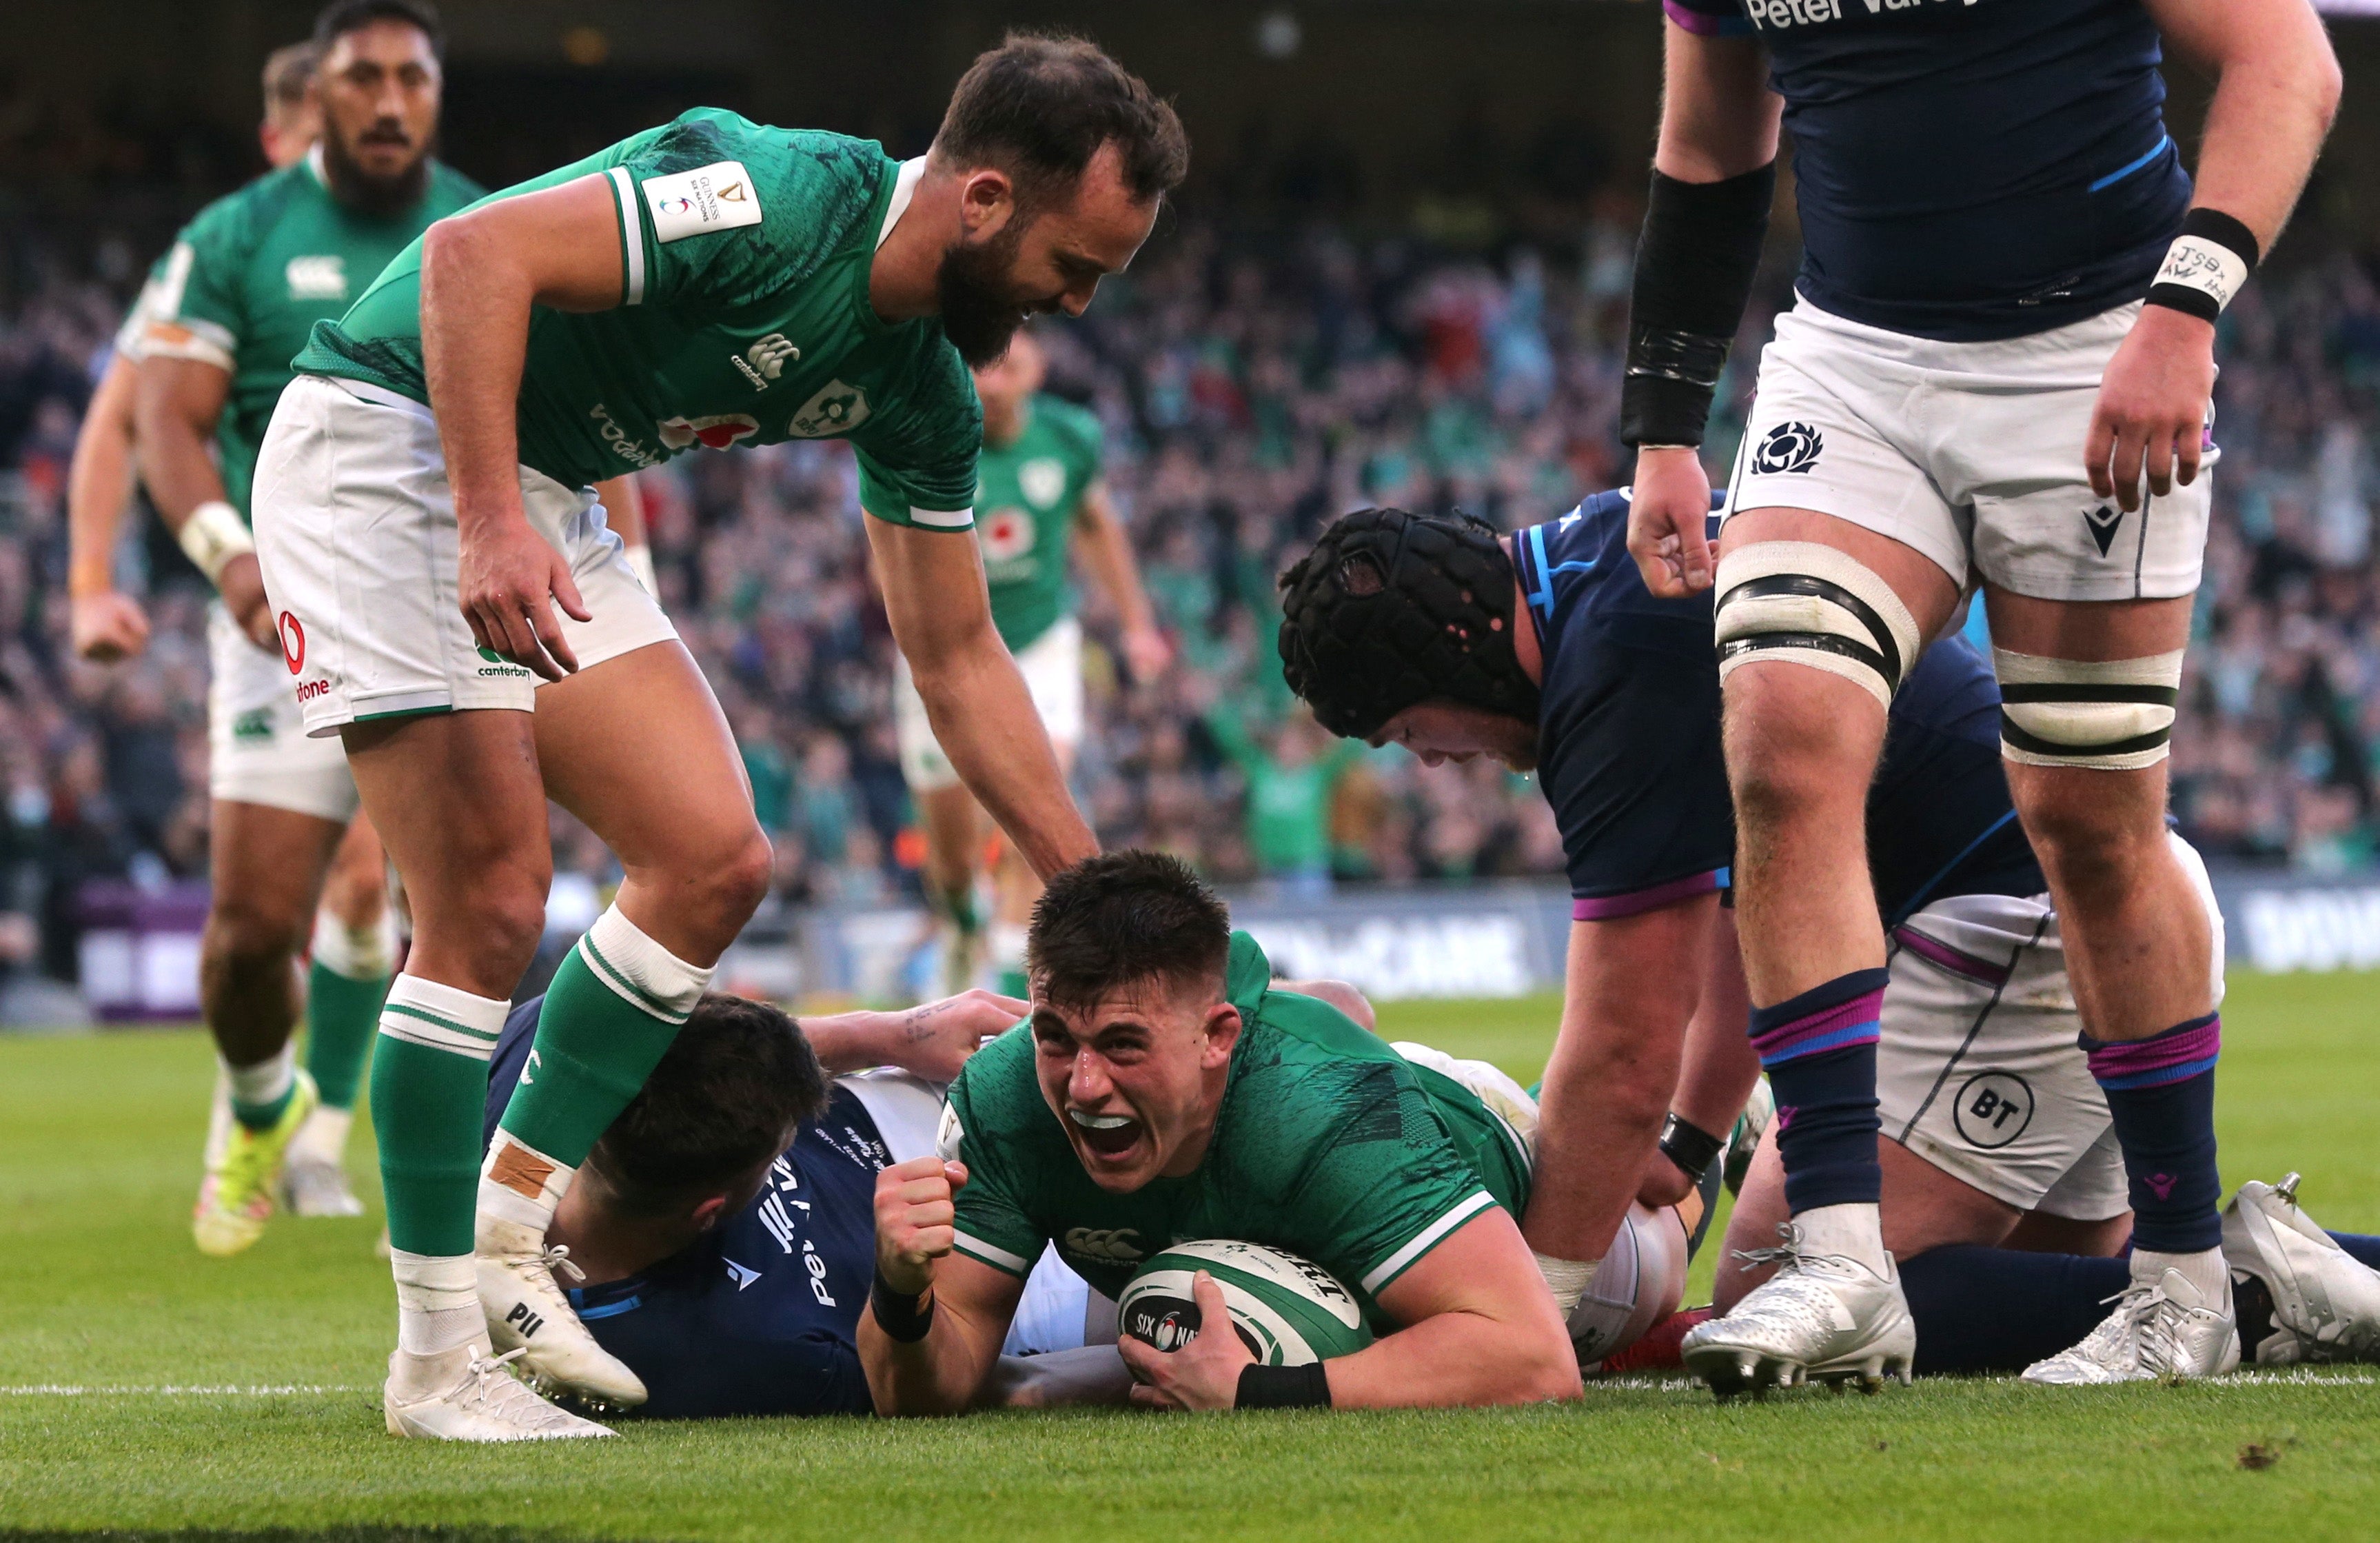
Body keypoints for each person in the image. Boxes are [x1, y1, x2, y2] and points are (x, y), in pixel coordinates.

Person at [249, 34, 1188, 1440]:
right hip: (387, 444)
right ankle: (438, 1355)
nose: (1078, 302)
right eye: (1079, 263)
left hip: (542, 486)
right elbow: (470, 257)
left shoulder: (925, 386)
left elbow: (953, 652)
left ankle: (512, 1230)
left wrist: (1092, 899)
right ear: (984, 201)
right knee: (490, 904)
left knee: (712, 860)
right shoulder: (765, 194)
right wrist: (492, 517)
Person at [1616, 0, 2339, 1386]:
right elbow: (1709, 148)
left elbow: (2284, 61)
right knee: (1779, 737)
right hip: (1853, 357)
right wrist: (1661, 426)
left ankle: (2184, 1283)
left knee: (2086, 824)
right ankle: (1844, 1264)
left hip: (2095, 350)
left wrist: (2182, 313)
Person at [74, 4, 485, 1253]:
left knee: (443, 902)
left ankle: (402, 1178)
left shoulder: (485, 220)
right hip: (275, 613)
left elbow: (576, 400)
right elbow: (139, 420)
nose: (387, 101)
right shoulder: (233, 238)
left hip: (440, 609)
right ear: (317, 98)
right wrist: (187, 562)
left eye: (410, 77)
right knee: (254, 935)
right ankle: (265, 1102)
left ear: (434, 91)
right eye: (361, 77)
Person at [863, 850, 1583, 1414]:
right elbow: (924, 1391)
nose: (1083, 1085)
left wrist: (1259, 1393)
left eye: (1123, 1045)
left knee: (1641, 1242)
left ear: (1216, 1038)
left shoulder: (1329, 1109)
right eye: (1055, 1038)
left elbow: (1533, 1358)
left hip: (1480, 1143)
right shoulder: (1005, 1098)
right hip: (1283, 1222)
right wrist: (900, 1292)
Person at [478, 986, 1122, 1418]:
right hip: (978, 1277)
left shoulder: (533, 1082)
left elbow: (701, 1037)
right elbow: (967, 1383)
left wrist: (890, 1033)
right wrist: (1144, 1368)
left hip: (907, 1102)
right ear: (711, 1212)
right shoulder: (743, 1355)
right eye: (778, 1149)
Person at [893, 324, 1169, 996]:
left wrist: (1138, 624)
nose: (1001, 357)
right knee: (954, 854)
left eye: (1016, 345)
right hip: (940, 649)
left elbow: (1098, 526)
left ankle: (1017, 988)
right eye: (984, 350)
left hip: (1041, 643)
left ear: (1038, 367)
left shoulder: (1071, 437)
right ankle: (961, 920)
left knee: (1036, 800)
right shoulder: (927, 426)